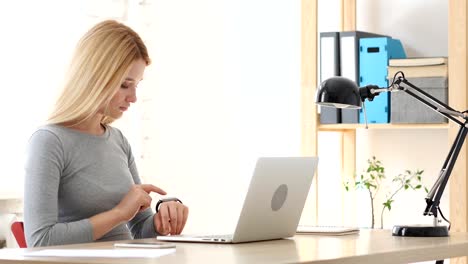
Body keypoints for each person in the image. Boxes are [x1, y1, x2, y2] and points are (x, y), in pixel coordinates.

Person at [24, 20, 189, 247]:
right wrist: (120, 213)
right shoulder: (49, 141)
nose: (133, 97)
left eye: (136, 85)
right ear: (95, 77)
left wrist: (161, 222)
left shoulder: (118, 141)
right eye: (124, 84)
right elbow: (40, 240)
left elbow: (140, 228)